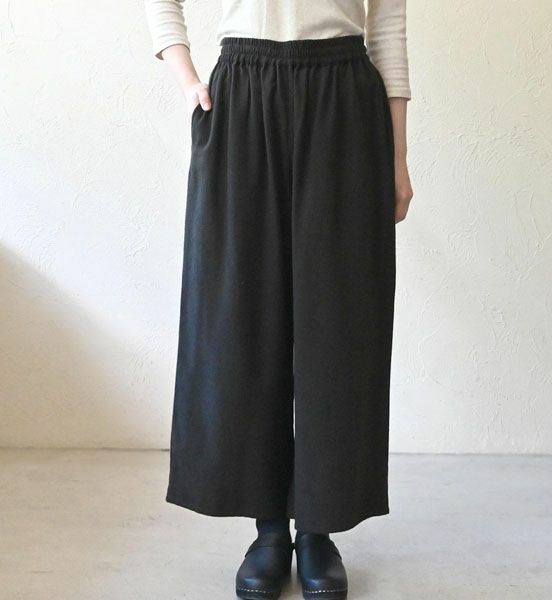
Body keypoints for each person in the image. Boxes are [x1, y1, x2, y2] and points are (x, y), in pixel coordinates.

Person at [143, 1, 413, 598]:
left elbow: (389, 25)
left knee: (341, 321)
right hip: (242, 93)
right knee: (240, 315)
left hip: (344, 95)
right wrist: (188, 80)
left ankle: (319, 527)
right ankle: (268, 529)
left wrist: (398, 156)